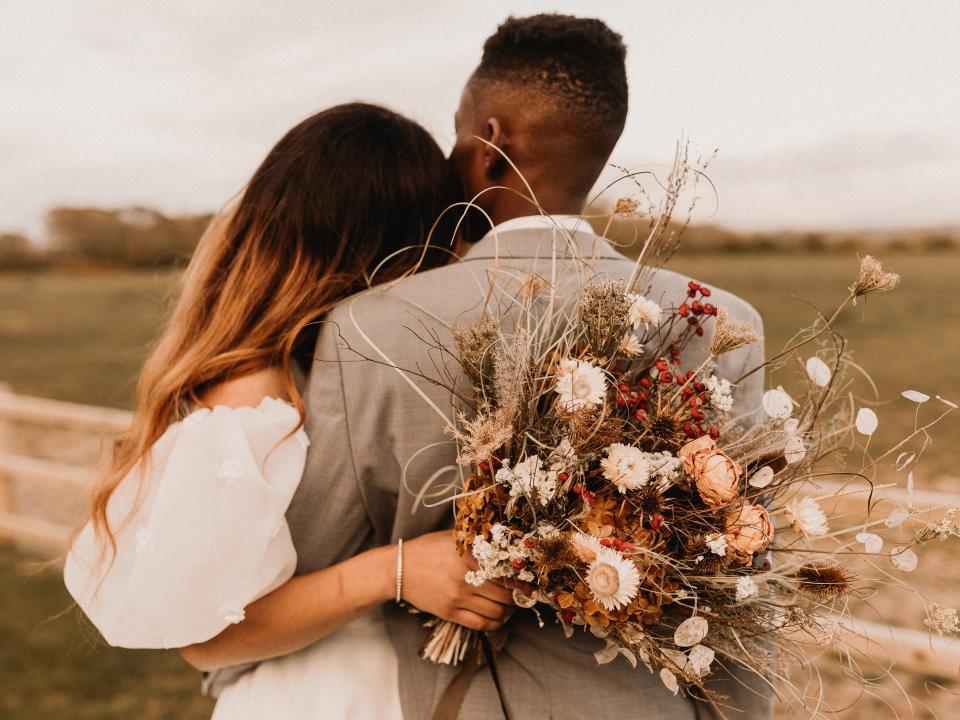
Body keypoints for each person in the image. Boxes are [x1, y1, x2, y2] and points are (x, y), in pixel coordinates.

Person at [278, 13, 773, 720]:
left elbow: (311, 563)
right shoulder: (720, 325)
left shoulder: (368, 325)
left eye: (457, 133)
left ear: (490, 143)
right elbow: (745, 571)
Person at [63, 102, 519, 719]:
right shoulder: (257, 394)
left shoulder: (339, 369)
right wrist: (395, 570)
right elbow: (206, 641)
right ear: (391, 248)